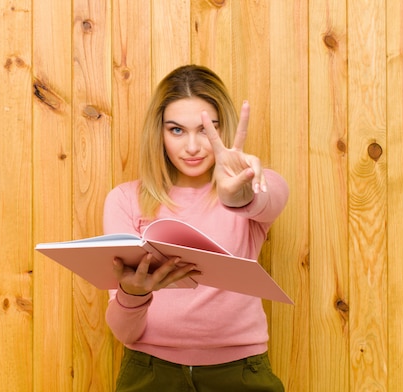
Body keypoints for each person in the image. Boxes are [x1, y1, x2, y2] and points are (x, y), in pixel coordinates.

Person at [103, 64, 289, 392]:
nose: (192, 147)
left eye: (205, 129)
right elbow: (124, 332)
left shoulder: (255, 184)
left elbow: (274, 197)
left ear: (223, 129)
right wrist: (133, 293)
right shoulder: (125, 200)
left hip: (239, 372)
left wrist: (239, 195)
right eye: (177, 130)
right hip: (149, 372)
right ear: (158, 133)